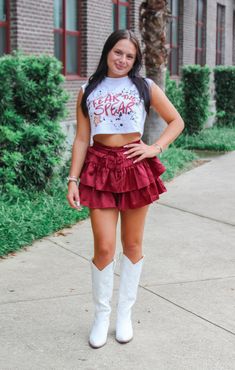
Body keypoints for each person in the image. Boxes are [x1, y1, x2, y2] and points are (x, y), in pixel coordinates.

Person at [66, 29, 184, 349]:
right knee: (104, 247)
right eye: (118, 52)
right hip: (98, 167)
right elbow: (81, 139)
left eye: (130, 56)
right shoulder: (88, 89)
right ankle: (101, 315)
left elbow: (176, 121)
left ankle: (124, 315)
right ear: (107, 52)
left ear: (136, 60)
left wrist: (155, 148)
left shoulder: (145, 86)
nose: (123, 60)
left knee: (132, 244)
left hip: (134, 166)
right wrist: (73, 179)